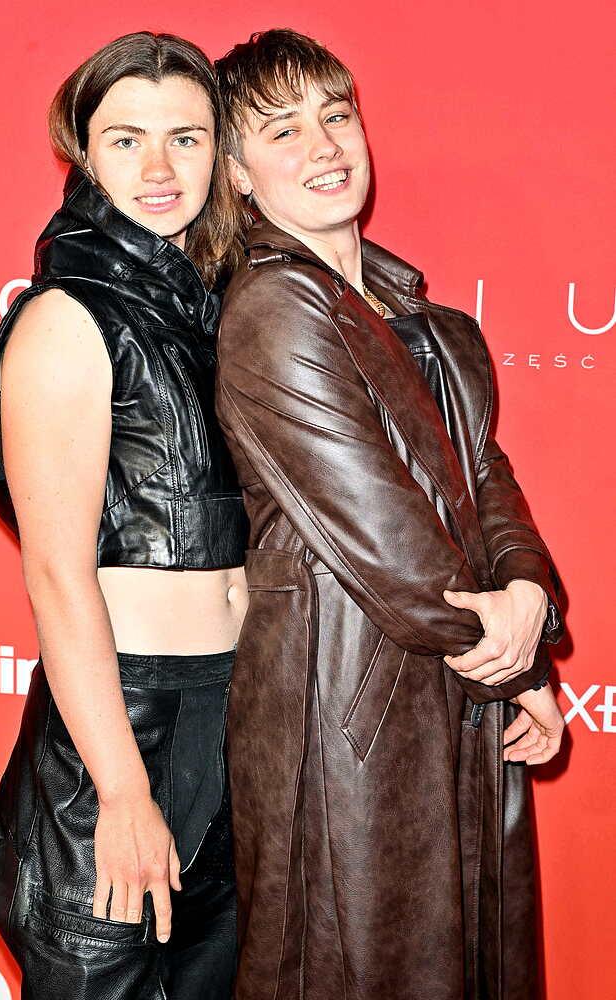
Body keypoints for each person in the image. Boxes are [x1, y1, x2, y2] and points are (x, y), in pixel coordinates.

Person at [213, 29, 565, 1000]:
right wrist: (518, 662)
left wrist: (529, 593)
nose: (324, 147)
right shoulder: (273, 308)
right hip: (345, 712)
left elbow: (488, 480)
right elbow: (386, 533)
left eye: (335, 117)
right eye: (282, 131)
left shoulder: (435, 326)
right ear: (237, 174)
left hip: (455, 688)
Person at [0, 31, 249, 1000]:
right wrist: (122, 789)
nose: (159, 168)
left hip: (232, 711)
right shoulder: (67, 318)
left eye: (185, 137)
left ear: (220, 151)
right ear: (84, 154)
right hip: (124, 724)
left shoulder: (214, 307)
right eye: (126, 140)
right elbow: (55, 574)